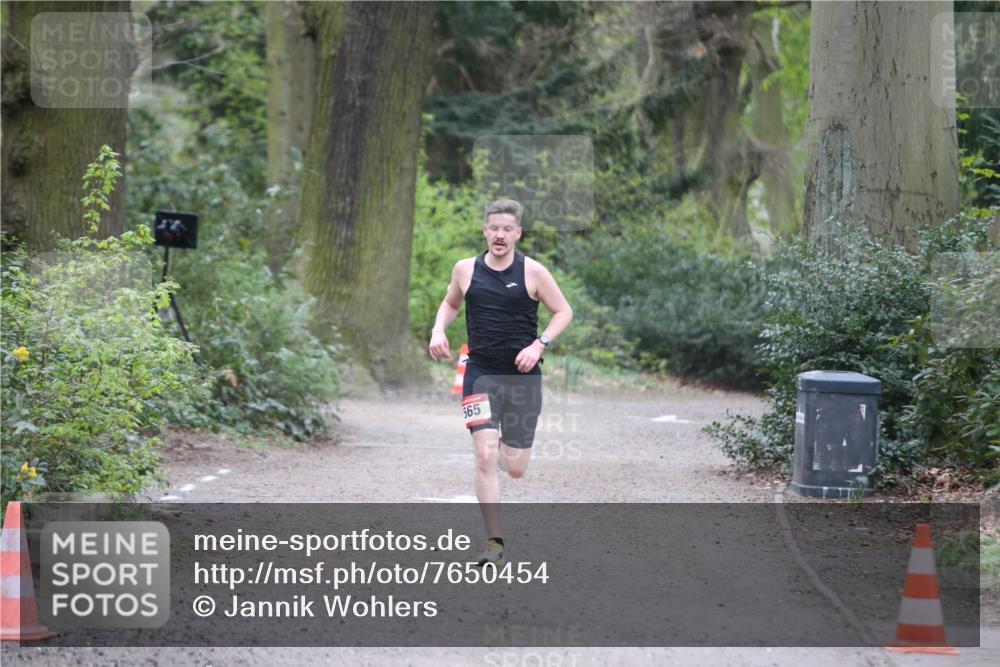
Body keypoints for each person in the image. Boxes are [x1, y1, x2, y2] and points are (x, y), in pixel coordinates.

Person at [428, 199, 573, 566]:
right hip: (480, 374)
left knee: (516, 466)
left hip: (522, 378)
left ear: (517, 233)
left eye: (507, 229)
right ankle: (494, 542)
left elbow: (563, 311)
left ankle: (513, 452)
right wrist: (437, 330)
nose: (500, 234)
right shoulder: (465, 269)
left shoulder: (533, 272)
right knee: (485, 455)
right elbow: (450, 304)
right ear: (485, 231)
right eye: (494, 228)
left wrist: (540, 343)